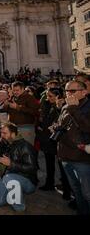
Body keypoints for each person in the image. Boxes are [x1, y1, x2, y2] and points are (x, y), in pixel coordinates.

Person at [51, 80, 90, 215]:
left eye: (72, 91)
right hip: (65, 154)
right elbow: (62, 124)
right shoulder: (65, 106)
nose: (68, 94)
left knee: (87, 192)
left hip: (82, 157)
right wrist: (56, 127)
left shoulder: (87, 106)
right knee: (76, 190)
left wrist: (73, 108)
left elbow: (87, 128)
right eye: (66, 90)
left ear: (84, 92)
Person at [0, 123, 39, 212]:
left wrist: (11, 164)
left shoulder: (25, 146)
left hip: (27, 180)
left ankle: (19, 207)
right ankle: (14, 193)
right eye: (1, 133)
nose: (2, 135)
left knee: (9, 178)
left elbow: (33, 168)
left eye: (5, 133)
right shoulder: (5, 143)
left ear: (13, 134)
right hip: (7, 178)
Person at [37, 87, 71, 197]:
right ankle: (49, 183)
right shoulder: (47, 103)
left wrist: (58, 107)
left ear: (58, 96)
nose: (48, 98)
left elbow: (62, 120)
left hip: (58, 140)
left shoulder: (64, 106)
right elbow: (44, 118)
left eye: (50, 96)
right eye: (47, 95)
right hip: (47, 138)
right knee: (49, 163)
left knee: (62, 166)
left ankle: (67, 190)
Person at [3, 81, 39, 146]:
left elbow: (35, 111)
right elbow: (7, 111)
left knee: (27, 149)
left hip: (26, 128)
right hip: (14, 128)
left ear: (23, 89)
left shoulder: (29, 98)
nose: (15, 92)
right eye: (13, 90)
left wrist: (18, 107)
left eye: (17, 90)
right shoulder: (12, 97)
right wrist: (6, 104)